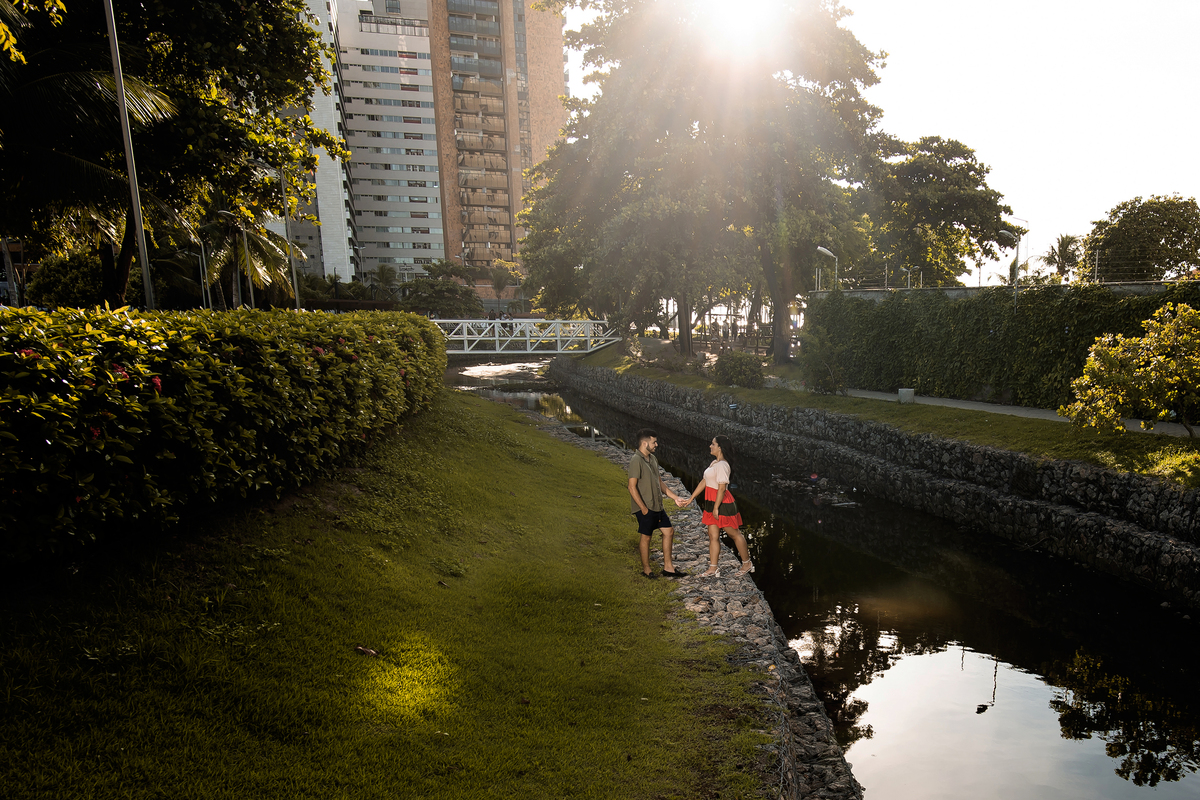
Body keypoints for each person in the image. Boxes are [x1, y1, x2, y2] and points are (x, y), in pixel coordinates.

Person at [686, 435, 753, 578]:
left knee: (733, 533)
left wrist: (716, 507)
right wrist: (691, 498)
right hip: (711, 502)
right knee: (713, 535)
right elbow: (704, 482)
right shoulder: (714, 463)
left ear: (720, 447)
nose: (710, 446)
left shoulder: (723, 465)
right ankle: (713, 568)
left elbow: (722, 488)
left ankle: (747, 563)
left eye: (713, 444)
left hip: (722, 503)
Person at [627, 428, 690, 579]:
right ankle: (647, 569)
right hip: (645, 507)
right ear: (644, 443)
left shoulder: (653, 459)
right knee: (646, 537)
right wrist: (643, 508)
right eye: (654, 442)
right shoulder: (636, 460)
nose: (656, 444)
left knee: (669, 531)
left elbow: (659, 483)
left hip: (657, 506)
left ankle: (668, 568)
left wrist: (675, 497)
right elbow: (631, 486)